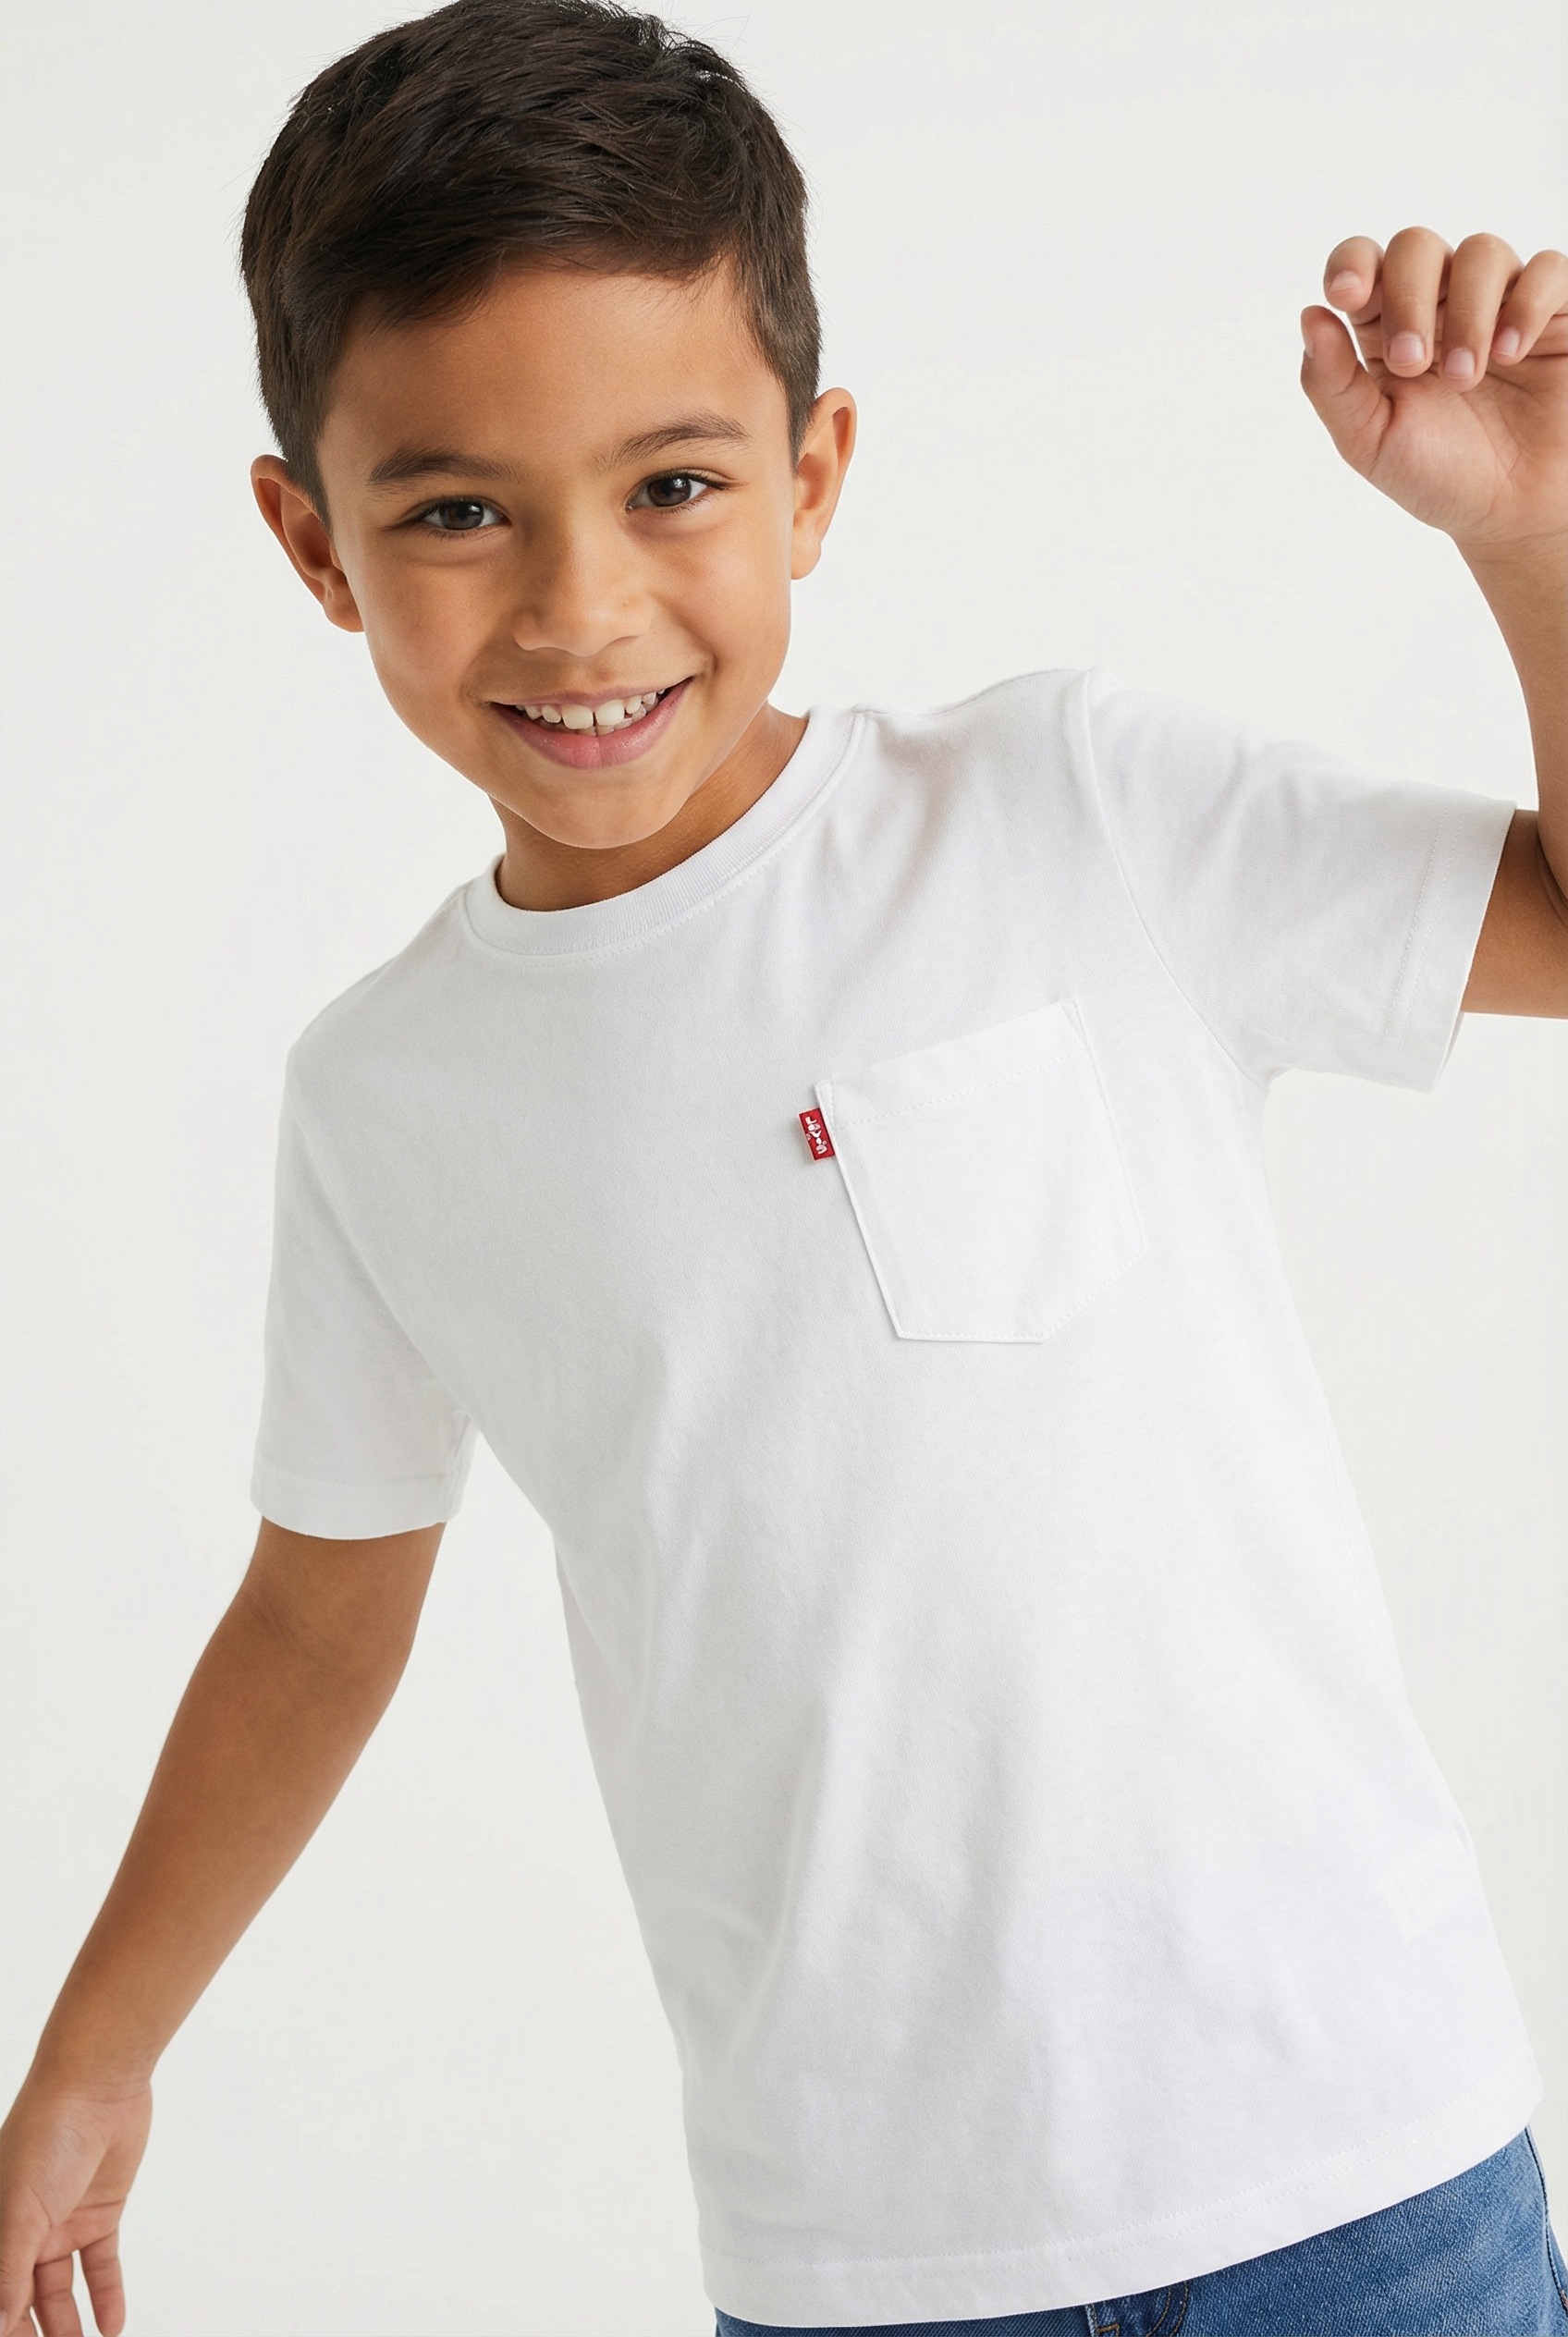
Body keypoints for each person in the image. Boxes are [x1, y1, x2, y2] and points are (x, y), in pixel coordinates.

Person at [3, 2, 1566, 2331]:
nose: (578, 606)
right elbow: (318, 1614)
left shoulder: (1067, 807)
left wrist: (1526, 531)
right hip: (865, 2251)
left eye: (671, 485)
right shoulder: (386, 1095)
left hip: (1357, 2167)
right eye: (455, 510)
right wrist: (97, 2053)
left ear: (812, 475)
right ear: (310, 542)